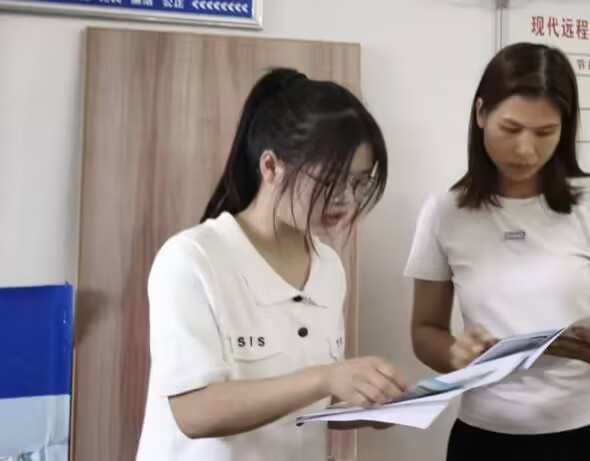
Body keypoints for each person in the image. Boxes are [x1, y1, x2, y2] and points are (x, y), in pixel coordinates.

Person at [136, 69, 407, 461]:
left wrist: (370, 403)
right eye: (332, 181)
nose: (347, 199)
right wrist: (327, 378)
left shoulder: (328, 268)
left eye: (359, 182)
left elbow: (305, 403)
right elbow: (193, 411)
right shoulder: (192, 259)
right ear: (271, 167)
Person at [406, 43, 590, 461]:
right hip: (487, 434)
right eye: (511, 128)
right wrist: (453, 353)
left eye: (545, 133)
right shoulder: (444, 212)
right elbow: (424, 330)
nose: (526, 150)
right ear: (481, 113)